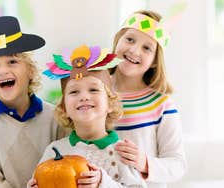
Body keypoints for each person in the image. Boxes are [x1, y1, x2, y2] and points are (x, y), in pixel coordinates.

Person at [0, 16, 66, 187]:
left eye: (12, 61)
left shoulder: (54, 117)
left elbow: (64, 166)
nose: (2, 71)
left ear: (30, 70)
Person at [28, 45, 147, 188]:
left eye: (93, 89)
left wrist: (103, 183)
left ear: (110, 103)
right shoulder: (54, 150)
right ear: (64, 108)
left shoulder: (122, 152)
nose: (84, 96)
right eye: (74, 92)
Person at [110, 10, 187, 188]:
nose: (134, 50)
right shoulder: (94, 92)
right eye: (130, 39)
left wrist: (145, 162)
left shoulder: (161, 105)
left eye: (147, 48)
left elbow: (177, 164)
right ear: (117, 41)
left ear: (154, 60)